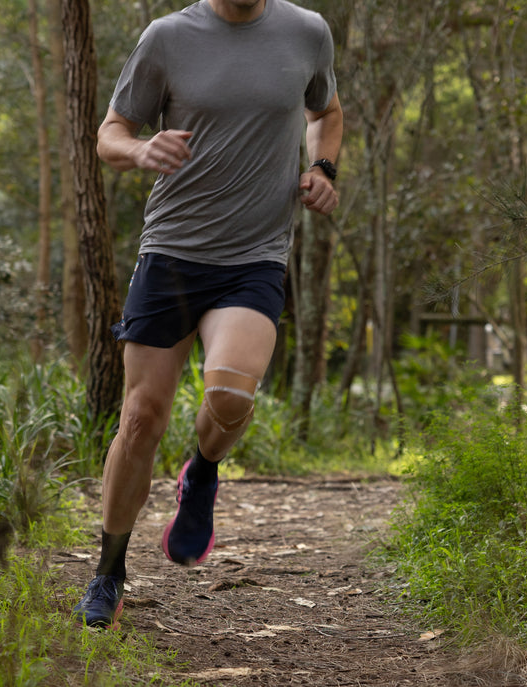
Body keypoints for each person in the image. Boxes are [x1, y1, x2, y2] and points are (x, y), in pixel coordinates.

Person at [72, 0, 343, 628]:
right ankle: (109, 571)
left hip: (254, 257)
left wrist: (322, 167)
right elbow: (109, 134)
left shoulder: (306, 32)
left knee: (228, 398)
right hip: (171, 252)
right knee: (141, 417)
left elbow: (324, 110)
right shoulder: (167, 38)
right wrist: (140, 152)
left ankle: (203, 471)